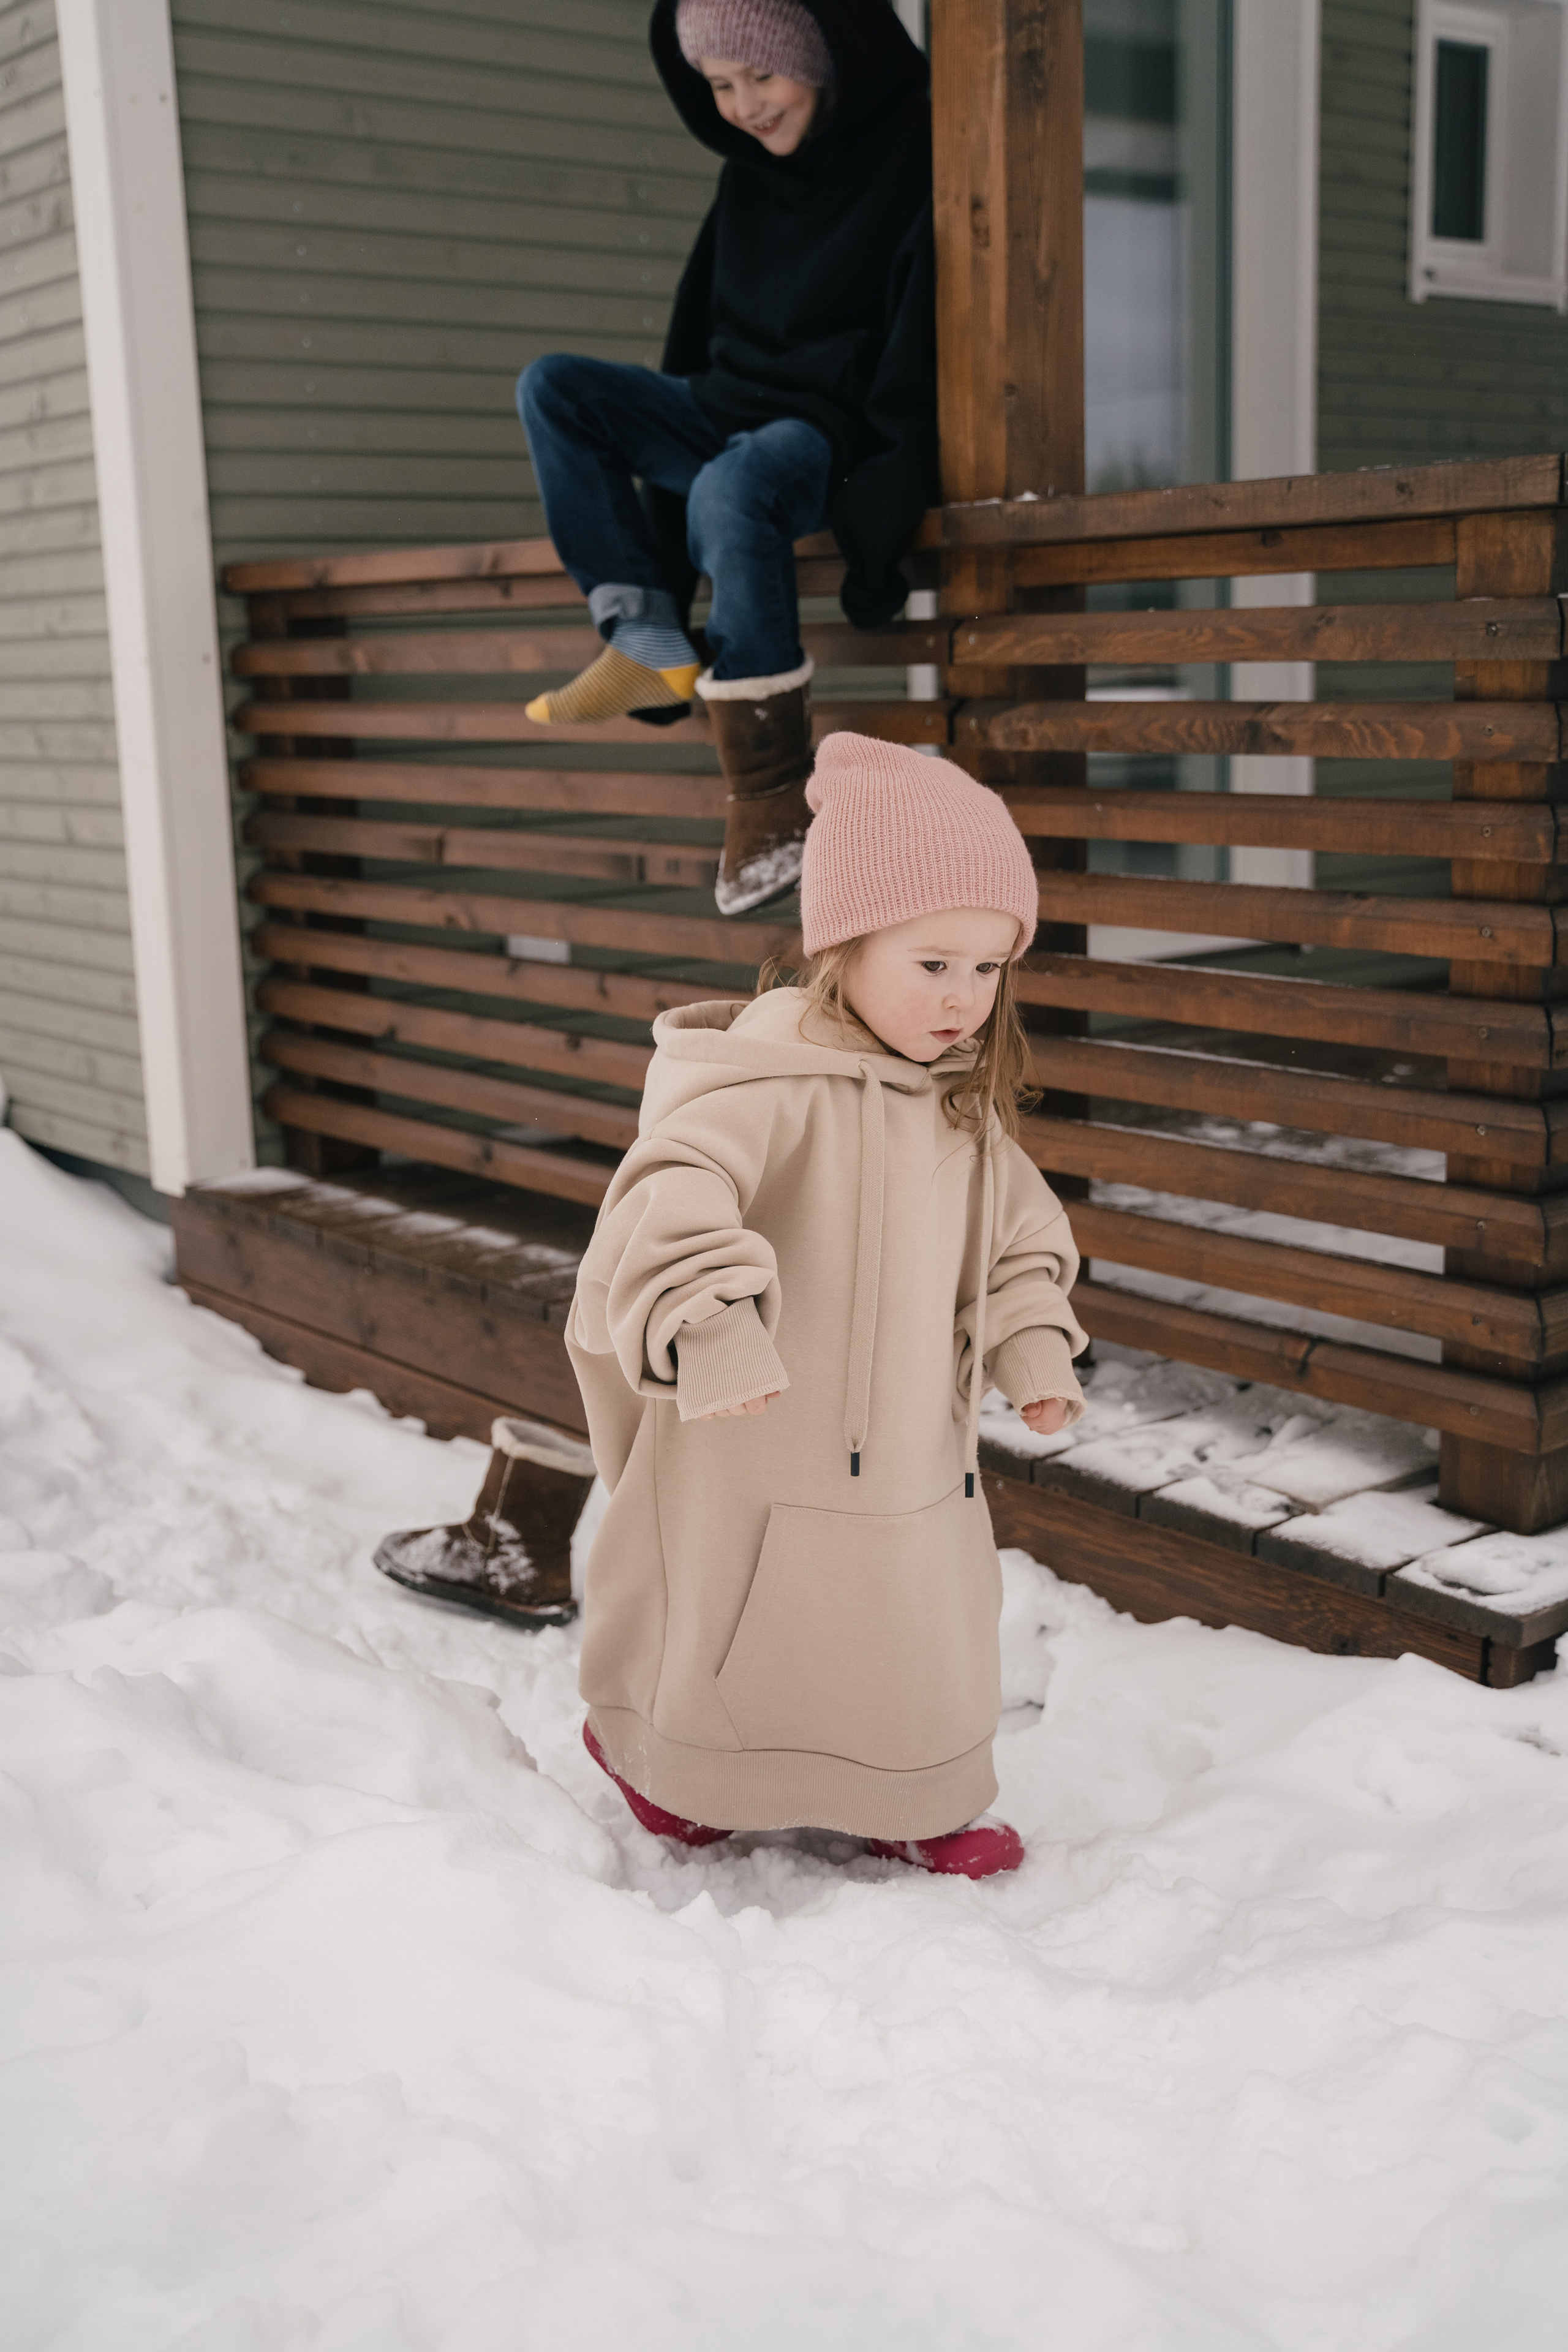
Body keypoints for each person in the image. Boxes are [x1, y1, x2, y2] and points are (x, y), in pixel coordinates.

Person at [565, 733, 1088, 1880]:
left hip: (904, 1453)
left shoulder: (961, 1111)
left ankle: (909, 1788)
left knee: (903, 1620)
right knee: (726, 1608)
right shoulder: (761, 1088)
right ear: (843, 945)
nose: (965, 1000)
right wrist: (711, 1326)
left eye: (990, 970)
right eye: (933, 962)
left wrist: (1033, 1345)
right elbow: (669, 1195)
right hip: (754, 1435)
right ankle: (680, 1763)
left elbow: (1016, 1244)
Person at [515, 0, 937, 915]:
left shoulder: (917, 148)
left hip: (826, 428)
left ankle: (772, 796)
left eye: (761, 77)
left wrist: (890, 496)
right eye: (719, 85)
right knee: (554, 387)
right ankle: (645, 633)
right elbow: (697, 331)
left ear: (823, 56)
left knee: (731, 485)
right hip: (722, 407)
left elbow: (923, 337)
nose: (743, 105)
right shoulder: (745, 176)